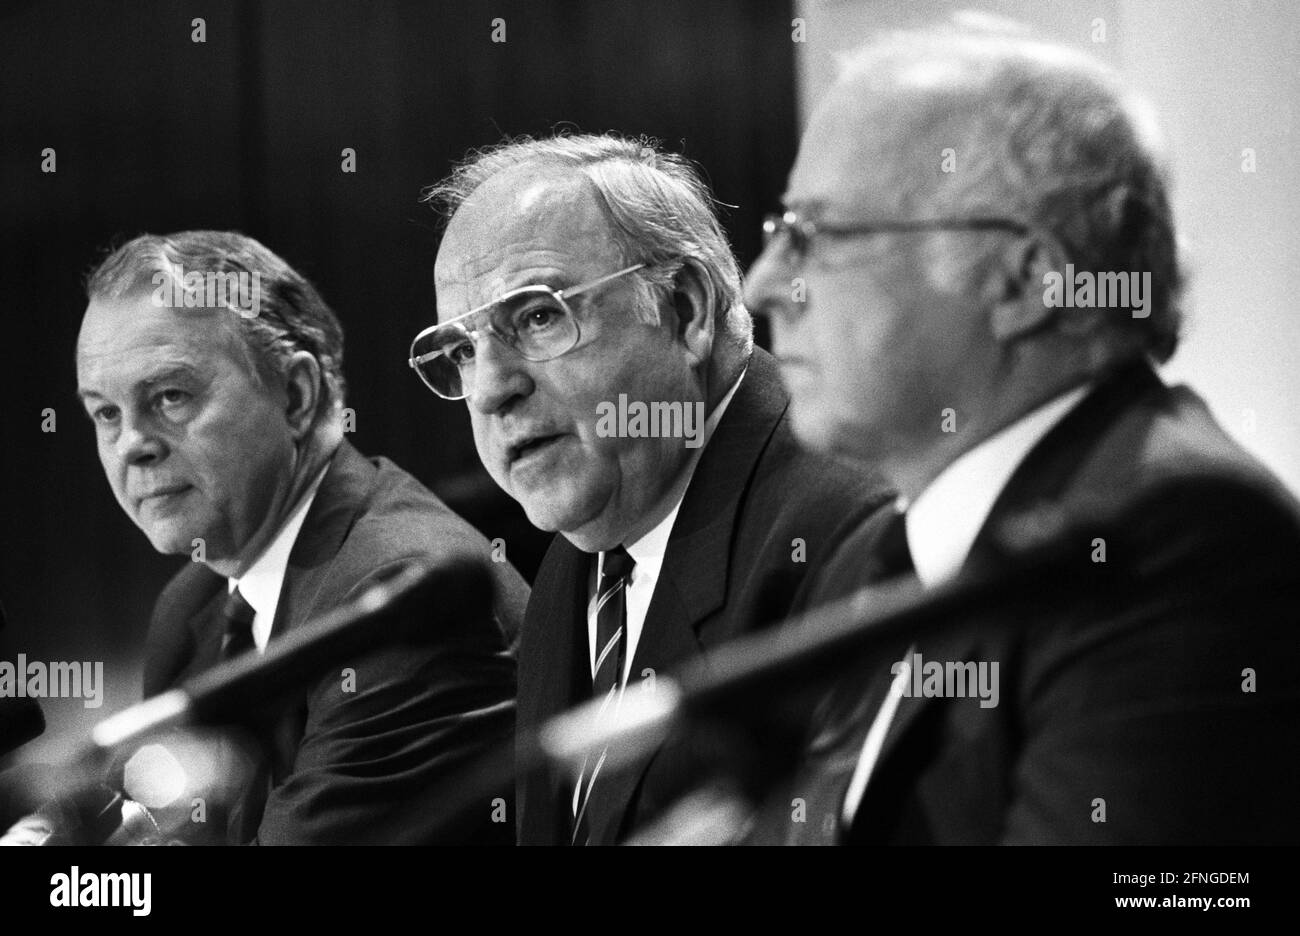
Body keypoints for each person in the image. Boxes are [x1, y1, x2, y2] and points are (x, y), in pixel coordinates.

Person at [741, 26, 1300, 844]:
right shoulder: (886, 548)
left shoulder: (1173, 538)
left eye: (814, 236)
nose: (764, 284)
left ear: (1023, 280)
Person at [418, 134, 893, 845]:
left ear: (685, 309)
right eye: (461, 350)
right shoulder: (579, 558)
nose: (489, 389)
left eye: (538, 317)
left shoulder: (842, 532)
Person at [74, 230, 526, 844]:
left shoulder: (400, 602)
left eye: (169, 396)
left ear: (296, 396)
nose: (133, 444)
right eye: (105, 413)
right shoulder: (192, 608)